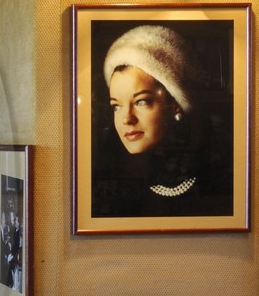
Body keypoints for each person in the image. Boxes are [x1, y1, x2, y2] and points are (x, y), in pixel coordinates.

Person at [92, 23, 231, 219]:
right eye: (116, 106)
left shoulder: (213, 176)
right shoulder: (108, 177)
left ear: (175, 104)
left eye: (141, 101)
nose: (126, 119)